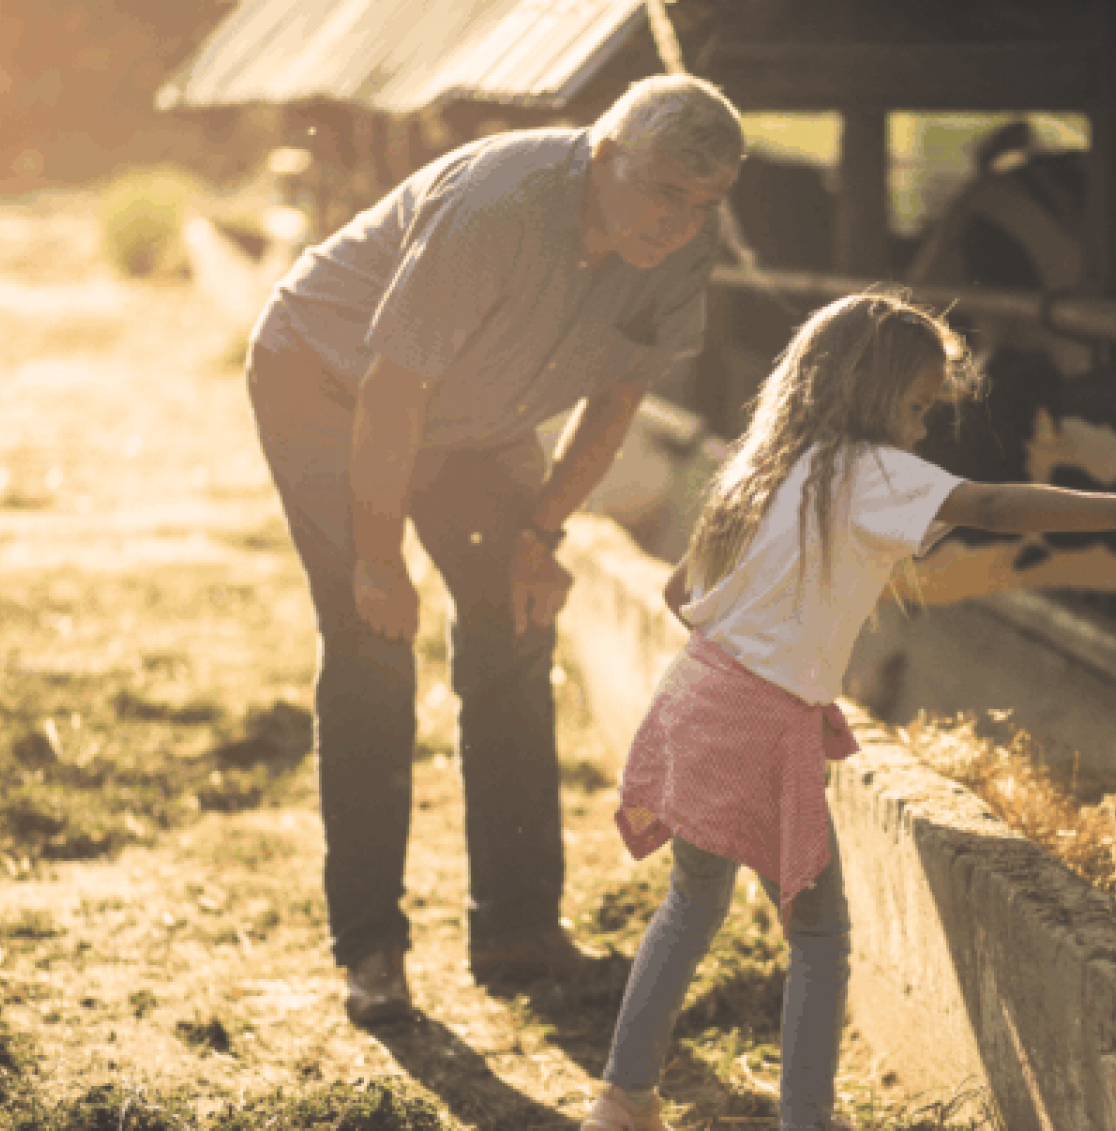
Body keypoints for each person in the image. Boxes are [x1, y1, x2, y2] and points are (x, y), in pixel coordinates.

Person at [582, 294, 1116, 1131]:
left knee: (690, 906)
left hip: (696, 691)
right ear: (871, 394)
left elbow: (675, 591)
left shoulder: (762, 465)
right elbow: (990, 508)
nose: (919, 430)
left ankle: (623, 1097)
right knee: (822, 933)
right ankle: (806, 1116)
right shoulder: (864, 469)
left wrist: (769, 631)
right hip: (760, 719)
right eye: (915, 408)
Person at [244, 75, 744, 1026]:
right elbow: (394, 393)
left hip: (479, 412)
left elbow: (617, 402)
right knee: (371, 638)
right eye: (665, 191)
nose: (680, 222)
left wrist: (540, 536)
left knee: (515, 625)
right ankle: (373, 951)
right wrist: (381, 560)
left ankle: (516, 931)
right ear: (605, 155)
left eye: (704, 203)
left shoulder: (681, 243)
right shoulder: (501, 206)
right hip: (331, 382)